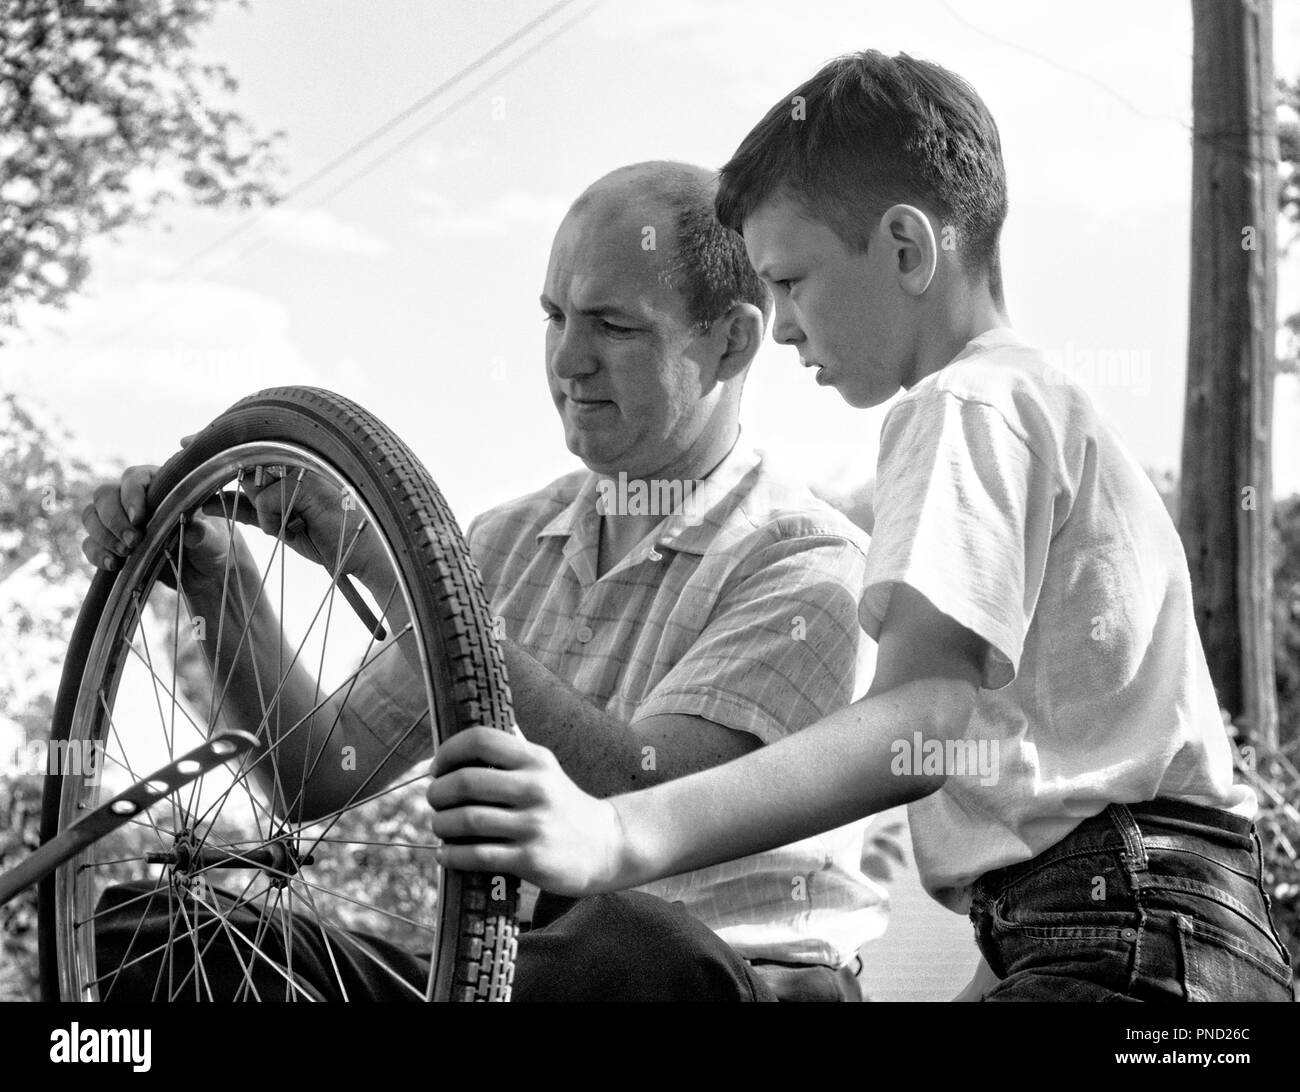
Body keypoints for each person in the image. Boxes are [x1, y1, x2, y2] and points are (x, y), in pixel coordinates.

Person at [426, 53, 1297, 1003]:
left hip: (1128, 940)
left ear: (907, 250)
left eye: (792, 281)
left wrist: (619, 835)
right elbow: (1062, 813)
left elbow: (924, 716)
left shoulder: (962, 405)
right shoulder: (1047, 408)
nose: (784, 324)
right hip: (1174, 937)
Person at [81, 161, 889, 1001]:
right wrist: (223, 580)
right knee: (150, 935)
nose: (570, 360)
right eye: (554, 316)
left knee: (631, 941)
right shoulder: (500, 542)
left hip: (711, 982)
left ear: (731, 339)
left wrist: (401, 574)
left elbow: (642, 794)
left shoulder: (807, 568)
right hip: (507, 979)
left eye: (614, 326)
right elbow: (318, 775)